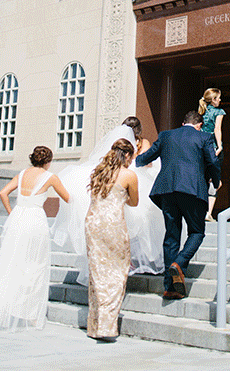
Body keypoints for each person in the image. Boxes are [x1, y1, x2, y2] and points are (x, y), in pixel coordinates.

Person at [52, 116, 164, 281]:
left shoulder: (116, 144)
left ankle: (115, 262)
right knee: (141, 222)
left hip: (114, 185)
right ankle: (130, 260)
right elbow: (147, 162)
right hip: (134, 182)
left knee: (127, 222)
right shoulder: (143, 143)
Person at [135, 110, 221, 299]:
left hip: (166, 190)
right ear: (199, 125)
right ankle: (179, 264)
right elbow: (213, 161)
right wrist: (216, 181)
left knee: (171, 236)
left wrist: (133, 163)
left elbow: (148, 156)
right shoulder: (205, 137)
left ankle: (169, 287)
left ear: (183, 123)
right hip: (192, 190)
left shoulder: (166, 135)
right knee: (197, 232)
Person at [0, 145, 71, 331]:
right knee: (35, 266)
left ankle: (6, 310)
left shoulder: (22, 174)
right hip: (35, 222)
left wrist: (11, 213)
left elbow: (3, 193)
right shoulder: (50, 177)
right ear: (48, 161)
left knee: (12, 264)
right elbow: (68, 198)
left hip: (17, 219)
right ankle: (31, 314)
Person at [84, 138, 139, 341]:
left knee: (97, 274)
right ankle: (106, 327)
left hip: (92, 223)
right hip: (113, 225)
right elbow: (134, 202)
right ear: (126, 155)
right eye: (131, 157)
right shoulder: (129, 175)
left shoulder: (99, 171)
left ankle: (94, 326)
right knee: (117, 273)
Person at [198, 87, 225, 221]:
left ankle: (201, 210)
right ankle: (208, 212)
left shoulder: (202, 111)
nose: (220, 100)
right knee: (215, 181)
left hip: (201, 147)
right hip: (212, 147)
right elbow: (217, 129)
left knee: (203, 178)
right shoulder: (218, 112)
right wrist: (219, 145)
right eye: (218, 97)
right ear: (213, 99)